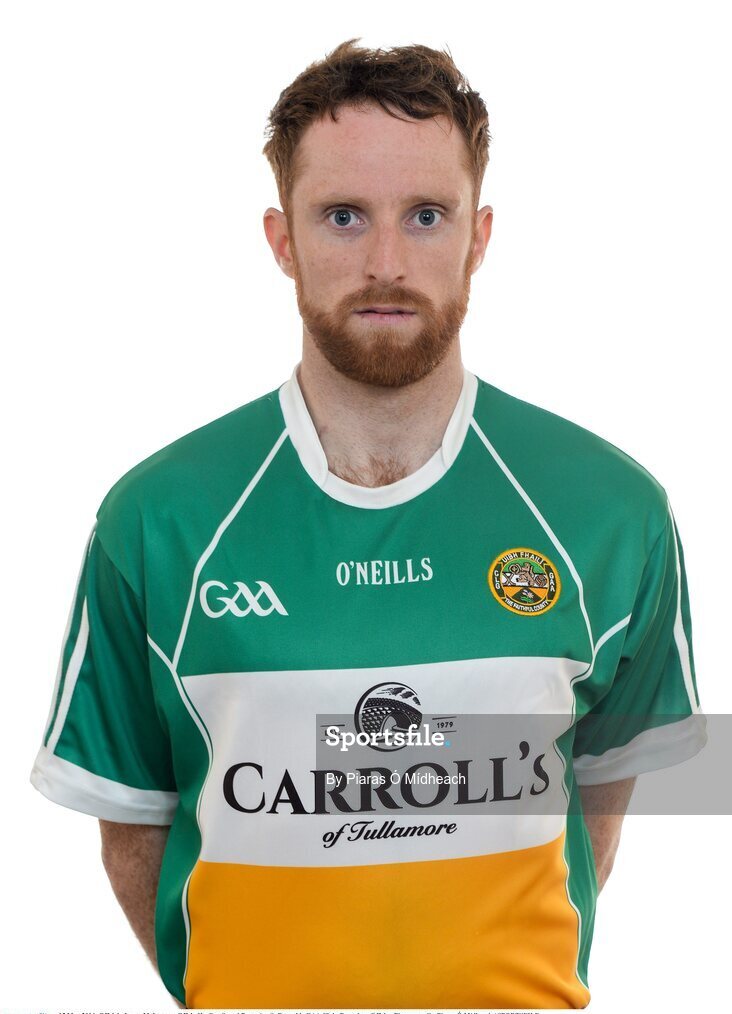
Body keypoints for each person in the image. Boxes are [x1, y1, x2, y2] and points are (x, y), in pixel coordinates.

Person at [30, 37, 707, 1010]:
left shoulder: (611, 510)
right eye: (343, 217)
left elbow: (595, 799)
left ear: (478, 237)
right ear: (281, 238)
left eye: (425, 217)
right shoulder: (157, 518)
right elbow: (134, 826)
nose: (386, 262)